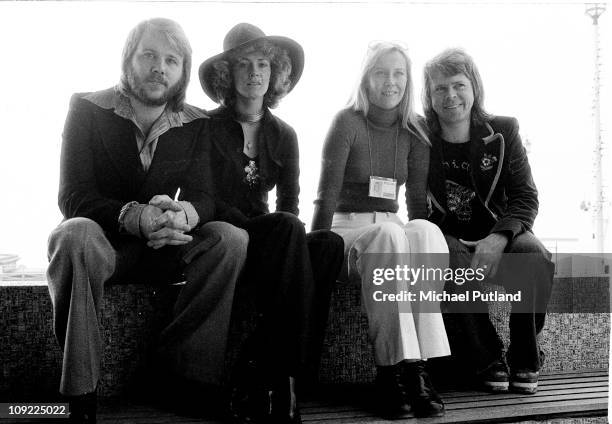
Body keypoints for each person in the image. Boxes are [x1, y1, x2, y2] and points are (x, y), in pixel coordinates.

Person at [46, 18, 248, 423]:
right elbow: (73, 195)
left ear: (182, 71)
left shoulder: (197, 122)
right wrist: (136, 216)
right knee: (72, 232)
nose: (160, 67)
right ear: (129, 59)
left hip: (167, 251)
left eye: (172, 60)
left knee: (230, 238)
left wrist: (182, 214)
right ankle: (81, 395)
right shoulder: (87, 108)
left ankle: (184, 377)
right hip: (104, 248)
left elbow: (205, 195)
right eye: (150, 55)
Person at [198, 23, 344, 424]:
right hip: (227, 237)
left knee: (328, 245)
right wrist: (263, 228)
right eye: (243, 64)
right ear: (227, 73)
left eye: (263, 63)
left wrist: (282, 233)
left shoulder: (285, 134)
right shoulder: (206, 127)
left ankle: (265, 365)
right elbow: (204, 200)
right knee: (284, 228)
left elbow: (291, 204)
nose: (254, 73)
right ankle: (289, 381)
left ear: (275, 72)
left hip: (276, 237)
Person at [311, 41, 450, 418]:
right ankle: (390, 373)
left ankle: (418, 370)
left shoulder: (415, 129)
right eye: (381, 72)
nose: (391, 81)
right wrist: (314, 254)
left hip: (393, 233)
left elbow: (418, 205)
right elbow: (327, 195)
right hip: (347, 234)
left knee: (425, 232)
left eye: (399, 73)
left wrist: (424, 238)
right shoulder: (347, 121)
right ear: (366, 78)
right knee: (391, 235)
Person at [422, 48, 554, 394]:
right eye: (440, 88)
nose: (450, 95)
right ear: (429, 95)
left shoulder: (503, 130)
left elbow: (526, 197)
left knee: (534, 256)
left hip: (502, 232)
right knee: (448, 259)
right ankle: (488, 358)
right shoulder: (420, 137)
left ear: (474, 87)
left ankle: (526, 357)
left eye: (458, 85)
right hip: (448, 237)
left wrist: (497, 238)